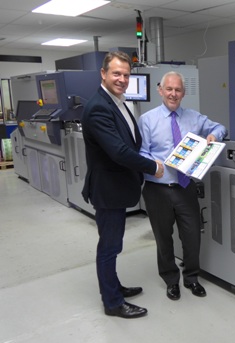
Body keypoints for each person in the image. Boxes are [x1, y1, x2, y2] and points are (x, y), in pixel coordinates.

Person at [81, 51, 164, 318]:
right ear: (103, 74)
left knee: (113, 245)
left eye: (126, 75)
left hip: (118, 186)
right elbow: (118, 151)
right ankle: (113, 303)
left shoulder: (117, 101)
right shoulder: (98, 107)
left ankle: (113, 286)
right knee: (109, 247)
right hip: (108, 190)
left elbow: (131, 142)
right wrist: (153, 167)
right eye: (116, 73)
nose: (122, 79)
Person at [138, 71, 227, 301]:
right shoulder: (147, 120)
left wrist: (214, 136)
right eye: (169, 89)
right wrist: (151, 164)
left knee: (191, 235)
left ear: (183, 93)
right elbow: (141, 151)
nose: (173, 94)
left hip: (185, 187)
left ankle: (191, 278)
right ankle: (171, 280)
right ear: (160, 90)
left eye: (178, 90)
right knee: (163, 238)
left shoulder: (194, 118)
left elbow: (220, 127)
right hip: (157, 188)